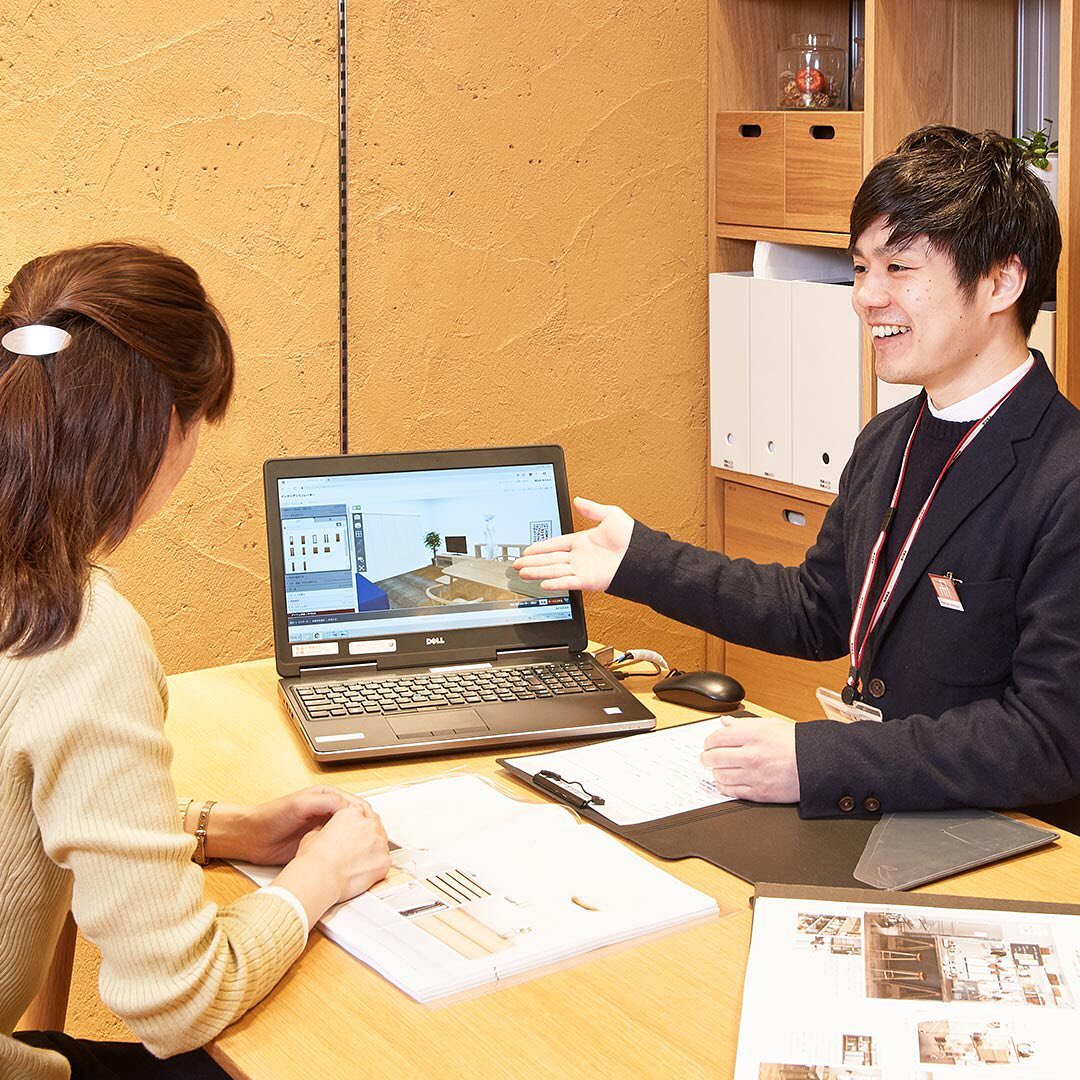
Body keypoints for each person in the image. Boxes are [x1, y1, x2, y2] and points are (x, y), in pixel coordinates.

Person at [516, 125, 1080, 833]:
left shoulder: (1064, 476)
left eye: (899, 267)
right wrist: (640, 561)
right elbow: (818, 610)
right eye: (860, 268)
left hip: (1013, 842)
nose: (866, 296)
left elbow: (1050, 738)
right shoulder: (888, 440)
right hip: (890, 819)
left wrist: (818, 760)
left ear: (1002, 281)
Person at [0, 242, 392, 1079]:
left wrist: (220, 828)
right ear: (162, 431)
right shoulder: (74, 630)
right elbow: (177, 1002)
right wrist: (318, 879)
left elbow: (21, 799)